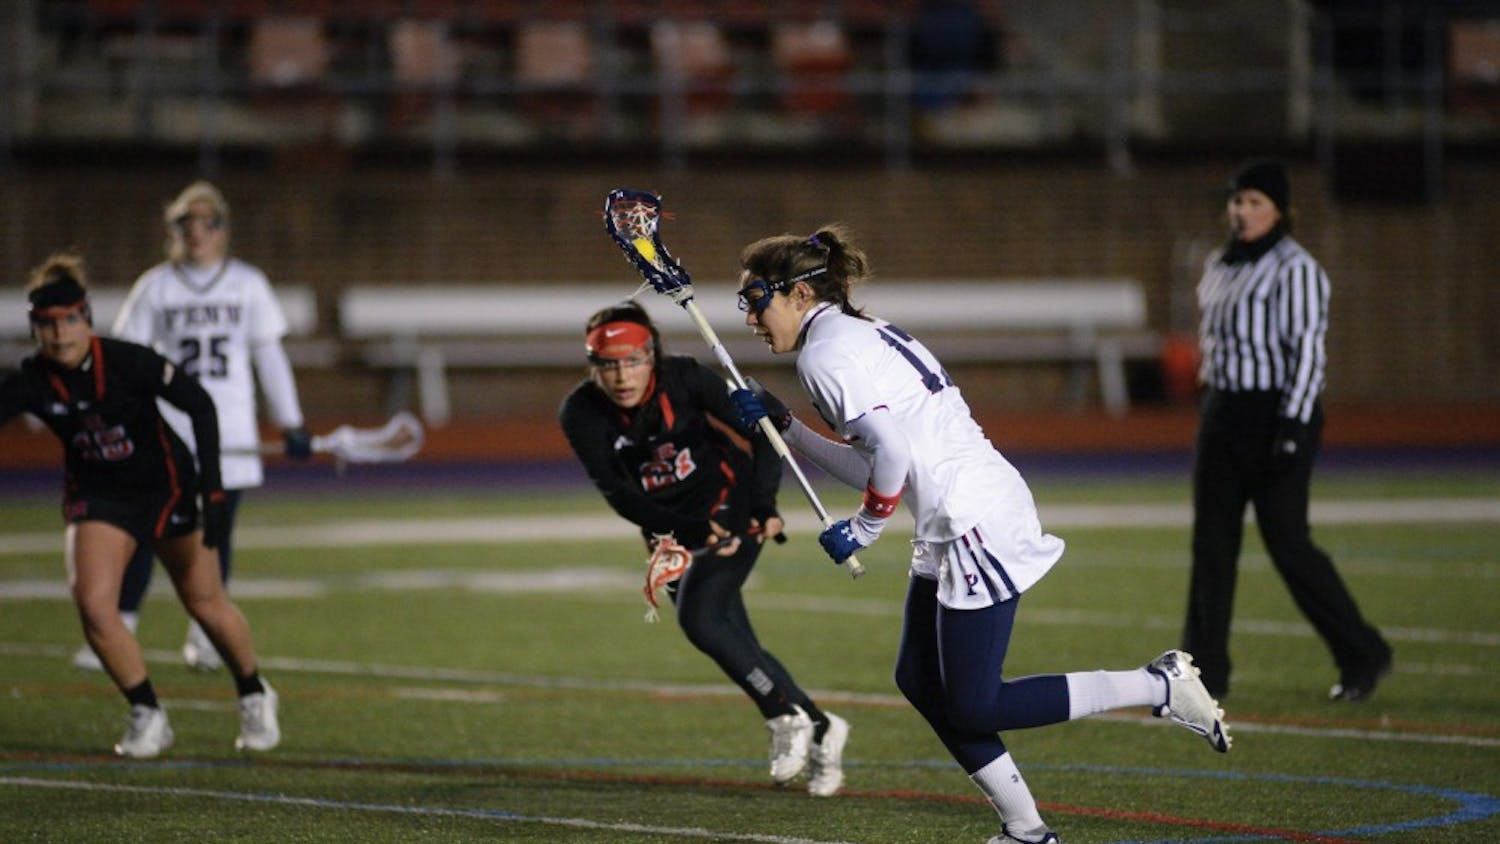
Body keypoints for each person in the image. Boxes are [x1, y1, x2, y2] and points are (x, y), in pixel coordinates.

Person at [729, 226, 1230, 843]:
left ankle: (1159, 685)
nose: (750, 317)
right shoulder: (851, 334)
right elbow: (885, 460)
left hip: (972, 520)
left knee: (975, 704)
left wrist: (865, 527)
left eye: (756, 300)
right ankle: (1025, 828)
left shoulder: (824, 353)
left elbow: (889, 451)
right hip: (952, 517)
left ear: (800, 293)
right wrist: (788, 430)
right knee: (918, 677)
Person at [558, 301, 848, 797]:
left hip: (730, 504)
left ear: (652, 356)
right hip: (669, 528)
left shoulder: (687, 378)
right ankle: (821, 726)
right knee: (734, 639)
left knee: (700, 619)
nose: (622, 375)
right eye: (608, 364)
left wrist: (763, 503)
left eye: (632, 360)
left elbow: (763, 432)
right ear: (593, 367)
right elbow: (620, 494)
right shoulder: (581, 412)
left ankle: (782, 715)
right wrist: (683, 527)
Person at [2, 252, 281, 758]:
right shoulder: (32, 381)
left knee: (204, 603)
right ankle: (147, 711)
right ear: (35, 329)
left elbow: (198, 402)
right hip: (100, 496)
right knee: (94, 606)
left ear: (85, 318)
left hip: (166, 485)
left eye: (69, 321)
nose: (60, 334)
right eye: (47, 325)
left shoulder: (127, 361)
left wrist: (213, 490)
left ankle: (254, 691)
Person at [71, 180, 311, 673]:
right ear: (173, 229)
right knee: (144, 528)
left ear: (224, 229)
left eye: (209, 221)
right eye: (187, 222)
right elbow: (126, 360)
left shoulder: (248, 284)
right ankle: (122, 622)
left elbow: (270, 357)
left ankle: (206, 634)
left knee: (214, 535)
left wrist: (292, 421)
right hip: (167, 431)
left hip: (228, 432)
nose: (198, 232)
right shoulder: (155, 288)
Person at [1183, 158, 1392, 702]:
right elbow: (1213, 342)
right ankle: (1203, 675)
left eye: (1255, 202)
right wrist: (1209, 397)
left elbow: (1307, 354)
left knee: (1289, 545)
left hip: (1275, 415)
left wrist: (1294, 424)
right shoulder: (1220, 263)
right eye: (1238, 201)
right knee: (1211, 546)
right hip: (1224, 414)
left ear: (1279, 210)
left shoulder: (1296, 269)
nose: (1243, 211)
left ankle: (1362, 652)